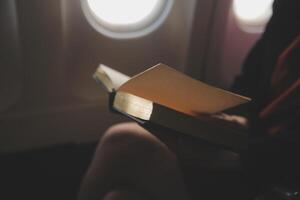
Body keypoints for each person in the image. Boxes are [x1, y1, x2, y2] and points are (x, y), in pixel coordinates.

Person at [78, 0, 300, 199]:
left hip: (270, 170)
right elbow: (248, 85)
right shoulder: (288, 10)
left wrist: (232, 157)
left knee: (121, 141)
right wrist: (229, 120)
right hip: (252, 142)